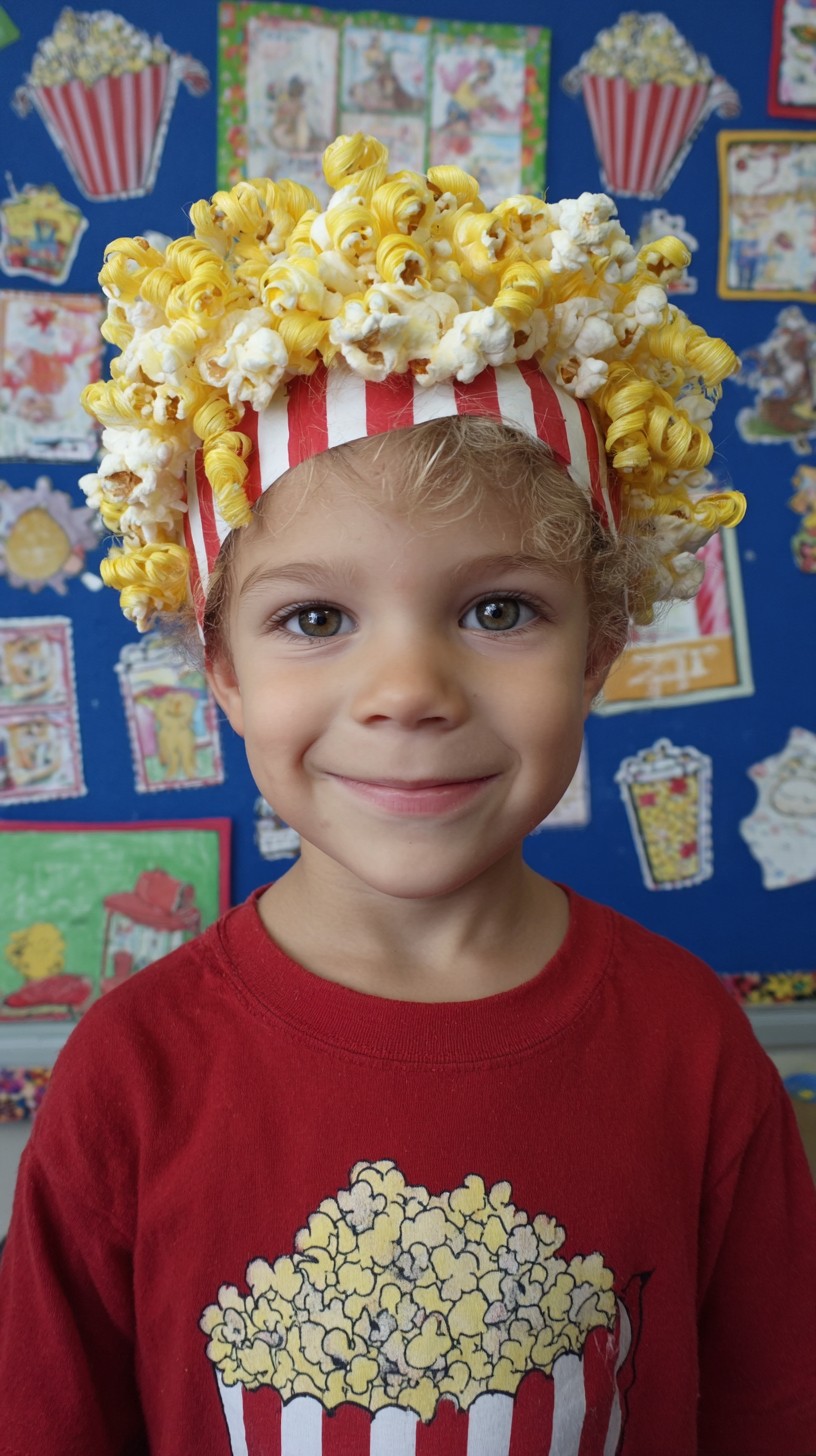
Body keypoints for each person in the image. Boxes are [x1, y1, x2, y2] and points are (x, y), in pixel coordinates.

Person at [0, 132, 814, 1456]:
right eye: (315, 617)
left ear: (599, 650)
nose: (408, 688)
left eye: (498, 609)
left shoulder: (698, 1056)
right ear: (219, 667)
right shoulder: (129, 1083)